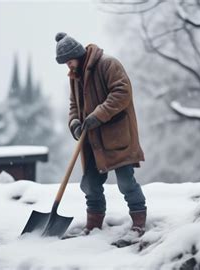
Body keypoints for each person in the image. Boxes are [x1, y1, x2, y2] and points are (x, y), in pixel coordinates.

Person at [54, 32, 147, 239]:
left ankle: (139, 223)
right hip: (93, 142)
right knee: (89, 184)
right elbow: (73, 106)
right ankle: (93, 225)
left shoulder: (108, 64)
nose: (68, 66)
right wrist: (75, 123)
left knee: (126, 182)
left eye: (69, 61)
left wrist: (98, 115)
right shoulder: (75, 77)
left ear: (78, 54)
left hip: (117, 137)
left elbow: (122, 93)